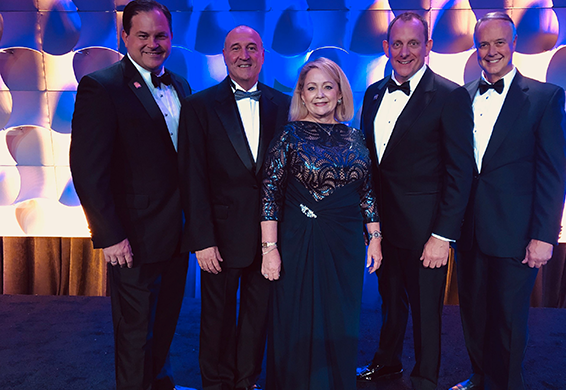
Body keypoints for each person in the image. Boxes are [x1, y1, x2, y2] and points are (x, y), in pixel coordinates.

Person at [69, 1, 192, 389]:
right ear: (124, 36)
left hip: (177, 234)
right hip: (132, 239)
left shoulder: (181, 84)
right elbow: (88, 169)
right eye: (143, 35)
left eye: (160, 36)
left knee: (166, 323)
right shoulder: (100, 86)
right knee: (135, 333)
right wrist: (109, 235)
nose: (153, 44)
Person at [450, 12, 566, 390]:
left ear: (514, 44)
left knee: (508, 319)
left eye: (499, 42)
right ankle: (480, 377)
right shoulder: (462, 96)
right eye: (484, 44)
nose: (491, 51)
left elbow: (554, 173)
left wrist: (544, 235)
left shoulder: (544, 97)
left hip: (517, 235)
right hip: (470, 230)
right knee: (472, 312)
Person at [356, 11, 475, 390]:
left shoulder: (450, 95)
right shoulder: (374, 92)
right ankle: (387, 363)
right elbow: (370, 163)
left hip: (427, 231)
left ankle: (426, 377)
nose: (404, 51)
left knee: (426, 311)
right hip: (382, 227)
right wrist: (369, 224)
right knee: (389, 301)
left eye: (413, 43)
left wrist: (442, 235)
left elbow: (460, 171)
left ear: (428, 46)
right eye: (397, 43)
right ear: (385, 46)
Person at [259, 57, 383, 390]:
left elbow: (367, 190)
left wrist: (375, 237)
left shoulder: (356, 137)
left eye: (327, 87)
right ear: (301, 94)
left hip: (345, 243)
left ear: (340, 93)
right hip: (301, 239)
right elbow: (269, 194)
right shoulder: (288, 136)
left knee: (341, 319)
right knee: (298, 319)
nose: (320, 95)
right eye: (311, 88)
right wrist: (269, 249)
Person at [178, 26, 290, 390]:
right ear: (224, 55)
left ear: (262, 54)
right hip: (220, 237)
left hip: (270, 238)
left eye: (252, 48)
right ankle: (216, 383)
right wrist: (201, 238)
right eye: (236, 48)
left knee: (258, 316)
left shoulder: (285, 105)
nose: (244, 55)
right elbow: (191, 177)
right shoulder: (199, 106)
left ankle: (246, 380)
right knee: (217, 317)